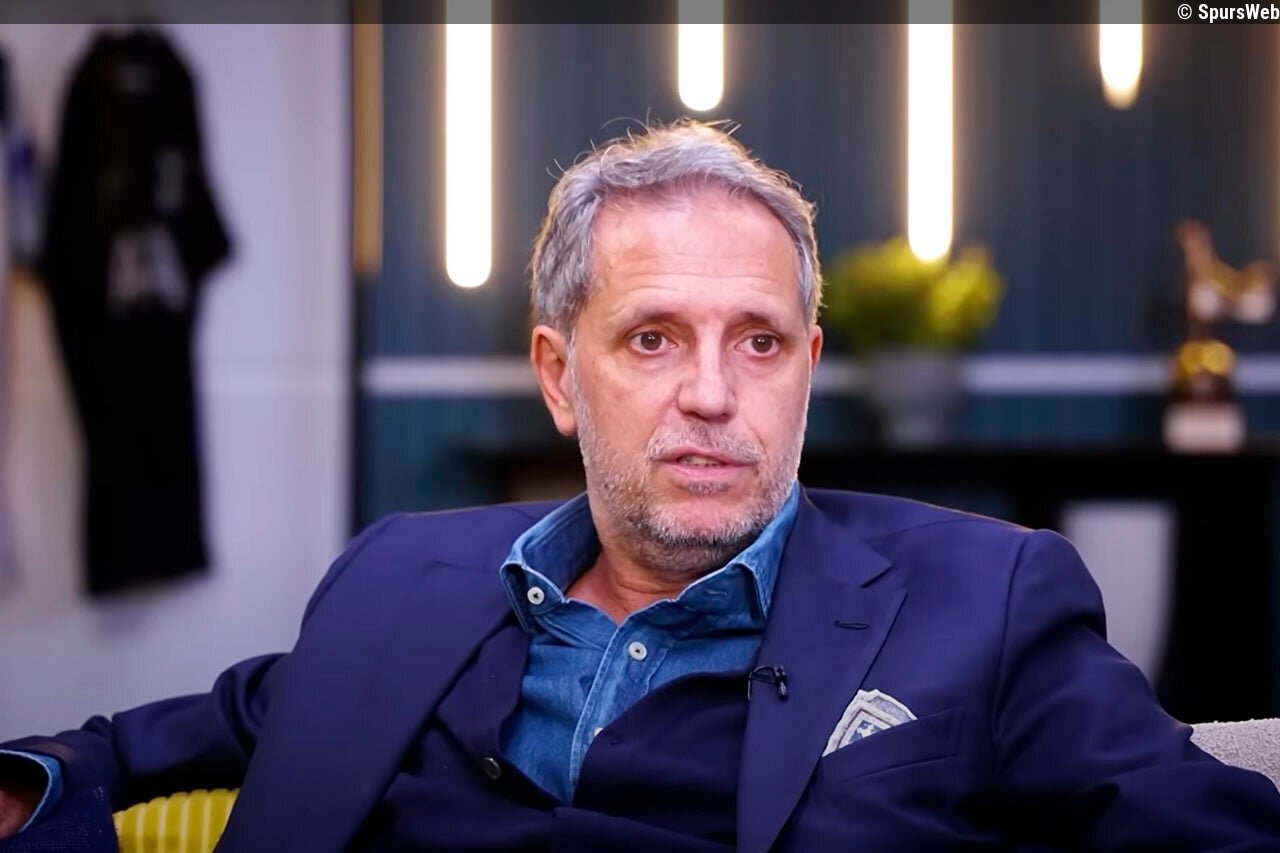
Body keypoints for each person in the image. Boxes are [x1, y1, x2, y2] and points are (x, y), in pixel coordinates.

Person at [3, 119, 1280, 852]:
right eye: (654, 338)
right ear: (559, 377)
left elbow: (1204, 825)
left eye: (758, 343)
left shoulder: (986, 598)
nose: (713, 394)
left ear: (806, 371)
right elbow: (151, 744)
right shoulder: (403, 573)